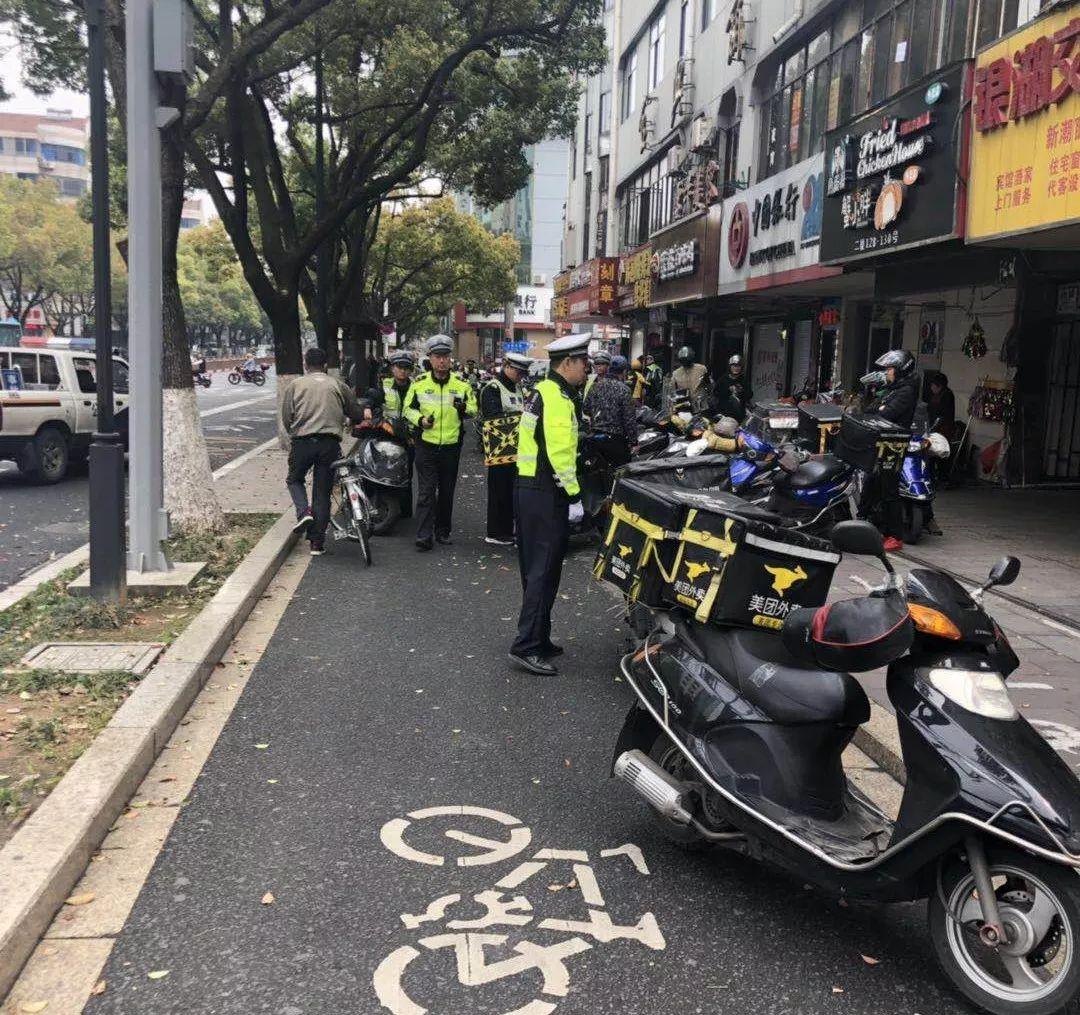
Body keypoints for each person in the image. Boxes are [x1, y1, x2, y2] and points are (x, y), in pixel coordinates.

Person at [510, 333, 590, 676]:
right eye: (583, 362)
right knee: (543, 570)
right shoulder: (556, 396)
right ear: (567, 363)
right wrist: (573, 496)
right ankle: (526, 645)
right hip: (545, 491)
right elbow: (559, 454)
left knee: (540, 568)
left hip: (530, 487)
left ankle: (539, 636)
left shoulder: (541, 391)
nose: (586, 369)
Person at [281, 346, 365, 555]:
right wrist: (354, 420)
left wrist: (295, 432)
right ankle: (317, 544)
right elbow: (354, 411)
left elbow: (286, 416)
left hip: (302, 442)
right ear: (326, 365)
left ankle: (303, 513)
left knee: (294, 479)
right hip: (329, 444)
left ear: (305, 364)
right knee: (322, 492)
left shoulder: (295, 385)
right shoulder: (337, 384)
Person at [403, 335, 477, 551]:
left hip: (451, 447)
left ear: (450, 359)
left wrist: (464, 408)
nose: (442, 361)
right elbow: (408, 409)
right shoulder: (419, 384)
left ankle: (443, 532)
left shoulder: (461, 385)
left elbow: (474, 409)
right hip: (426, 445)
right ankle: (423, 535)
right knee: (426, 491)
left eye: (445, 357)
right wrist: (420, 420)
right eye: (437, 357)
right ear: (430, 359)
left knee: (446, 491)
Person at [863, 348, 919, 553]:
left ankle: (895, 536)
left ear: (901, 370)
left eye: (889, 369)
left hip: (893, 445)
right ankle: (872, 525)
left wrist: (879, 410)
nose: (886, 373)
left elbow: (887, 414)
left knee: (889, 491)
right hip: (881, 443)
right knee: (873, 484)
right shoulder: (893, 389)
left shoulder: (906, 392)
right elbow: (870, 411)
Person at [480, 351, 532, 545]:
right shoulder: (492, 388)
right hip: (499, 449)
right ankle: (495, 532)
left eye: (523, 373)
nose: (520, 376)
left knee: (512, 490)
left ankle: (508, 529)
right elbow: (493, 418)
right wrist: (521, 418)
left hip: (518, 449)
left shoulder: (518, 388)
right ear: (507, 366)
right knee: (499, 491)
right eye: (518, 372)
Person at [366, 349, 416, 517]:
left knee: (406, 474)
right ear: (393, 368)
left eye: (406, 367)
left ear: (411, 370)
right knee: (379, 470)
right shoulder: (384, 385)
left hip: (408, 437)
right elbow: (373, 400)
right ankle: (376, 506)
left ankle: (405, 512)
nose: (402, 370)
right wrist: (369, 409)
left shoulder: (417, 387)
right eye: (399, 367)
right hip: (386, 434)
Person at [584, 354, 636, 466]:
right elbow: (629, 419)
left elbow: (586, 409)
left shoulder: (595, 386)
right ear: (623, 372)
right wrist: (633, 442)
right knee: (620, 473)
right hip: (616, 441)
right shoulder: (624, 389)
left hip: (595, 438)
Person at [715, 354, 751, 420]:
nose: (736, 368)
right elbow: (716, 393)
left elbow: (750, 394)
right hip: (724, 414)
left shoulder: (744, 380)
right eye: (734, 366)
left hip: (739, 414)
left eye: (738, 366)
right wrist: (728, 390)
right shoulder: (723, 379)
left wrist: (741, 391)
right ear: (730, 366)